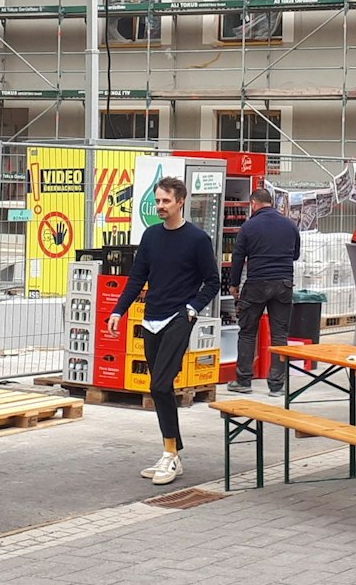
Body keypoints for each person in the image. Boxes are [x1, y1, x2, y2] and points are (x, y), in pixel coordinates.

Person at [106, 176, 221, 485]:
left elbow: (213, 281)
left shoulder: (197, 239)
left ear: (180, 201)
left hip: (179, 318)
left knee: (159, 385)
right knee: (161, 389)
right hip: (151, 318)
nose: (160, 206)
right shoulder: (151, 236)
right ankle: (172, 452)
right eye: (157, 201)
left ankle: (170, 455)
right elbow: (136, 277)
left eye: (165, 201)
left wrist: (193, 308)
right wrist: (119, 310)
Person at [225, 186, 299, 396]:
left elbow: (238, 258)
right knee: (280, 335)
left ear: (254, 204)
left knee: (248, 332)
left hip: (256, 283)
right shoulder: (289, 225)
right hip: (283, 284)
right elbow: (295, 254)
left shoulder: (248, 227)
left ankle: (244, 381)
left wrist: (234, 284)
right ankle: (277, 386)